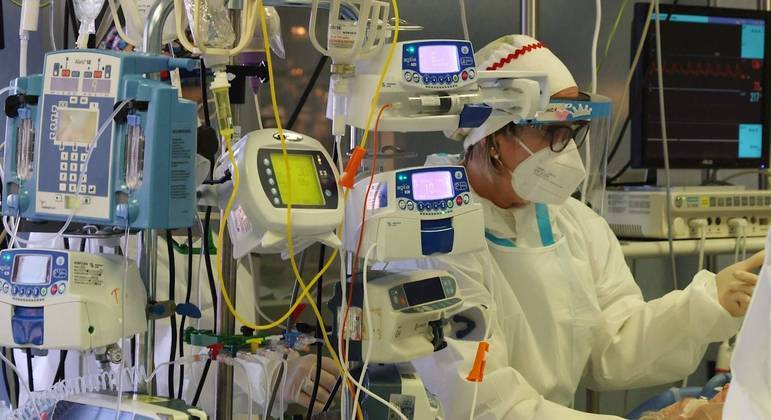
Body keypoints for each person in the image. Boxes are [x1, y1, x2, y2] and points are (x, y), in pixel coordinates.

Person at [301, 34, 762, 419]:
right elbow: (483, 403)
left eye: (571, 133)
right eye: (549, 132)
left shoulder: (575, 224)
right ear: (493, 136)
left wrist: (707, 304)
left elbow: (612, 345)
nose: (565, 151)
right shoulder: (430, 233)